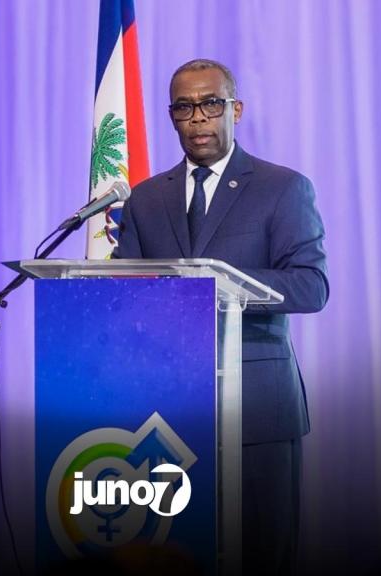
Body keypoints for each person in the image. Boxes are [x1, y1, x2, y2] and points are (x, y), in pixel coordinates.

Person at [113, 58, 329, 574]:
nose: (198, 118)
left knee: (261, 557)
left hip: (256, 408)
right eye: (184, 108)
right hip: (168, 410)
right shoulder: (145, 199)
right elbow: (125, 292)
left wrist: (216, 286)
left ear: (235, 109)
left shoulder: (282, 188)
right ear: (171, 116)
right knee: (173, 559)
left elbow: (310, 285)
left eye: (211, 104)